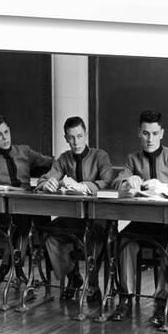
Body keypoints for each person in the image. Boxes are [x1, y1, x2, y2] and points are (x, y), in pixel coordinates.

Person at [111, 110, 168, 323]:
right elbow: (118, 181)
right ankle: (126, 298)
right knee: (124, 241)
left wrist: (165, 187)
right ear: (139, 133)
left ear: (162, 133)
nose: (150, 139)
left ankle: (161, 303)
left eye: (154, 133)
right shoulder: (133, 159)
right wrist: (128, 183)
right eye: (145, 133)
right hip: (143, 222)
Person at [36, 116, 116, 301]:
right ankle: (73, 276)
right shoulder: (64, 159)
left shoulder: (100, 156)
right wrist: (46, 184)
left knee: (93, 235)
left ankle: (94, 286)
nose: (76, 142)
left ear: (86, 135)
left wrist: (85, 187)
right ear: (65, 138)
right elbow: (44, 179)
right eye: (71, 138)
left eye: (79, 136)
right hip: (73, 218)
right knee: (50, 234)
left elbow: (109, 181)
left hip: (98, 217)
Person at [0, 114, 53, 283]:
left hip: (32, 205)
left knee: (23, 219)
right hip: (6, 209)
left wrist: (50, 178)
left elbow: (51, 163)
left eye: (6, 132)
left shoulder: (24, 151)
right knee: (20, 221)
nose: (5, 137)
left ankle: (4, 268)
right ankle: (14, 270)